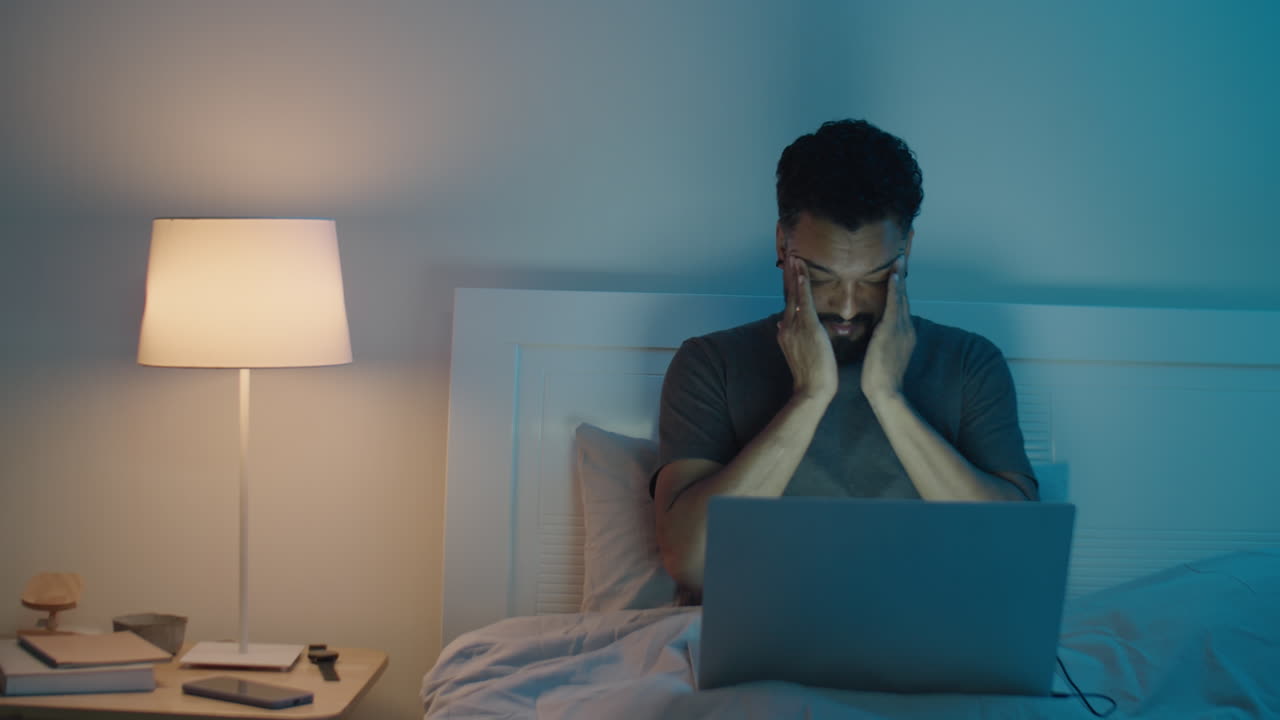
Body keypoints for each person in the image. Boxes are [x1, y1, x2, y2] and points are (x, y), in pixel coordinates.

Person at [651, 119, 1038, 600]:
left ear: (907, 249)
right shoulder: (711, 364)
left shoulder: (970, 363)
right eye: (820, 278)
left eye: (874, 278)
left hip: (929, 635)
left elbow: (1015, 555)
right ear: (782, 244)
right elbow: (690, 564)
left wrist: (889, 398)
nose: (849, 307)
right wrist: (809, 397)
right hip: (764, 636)